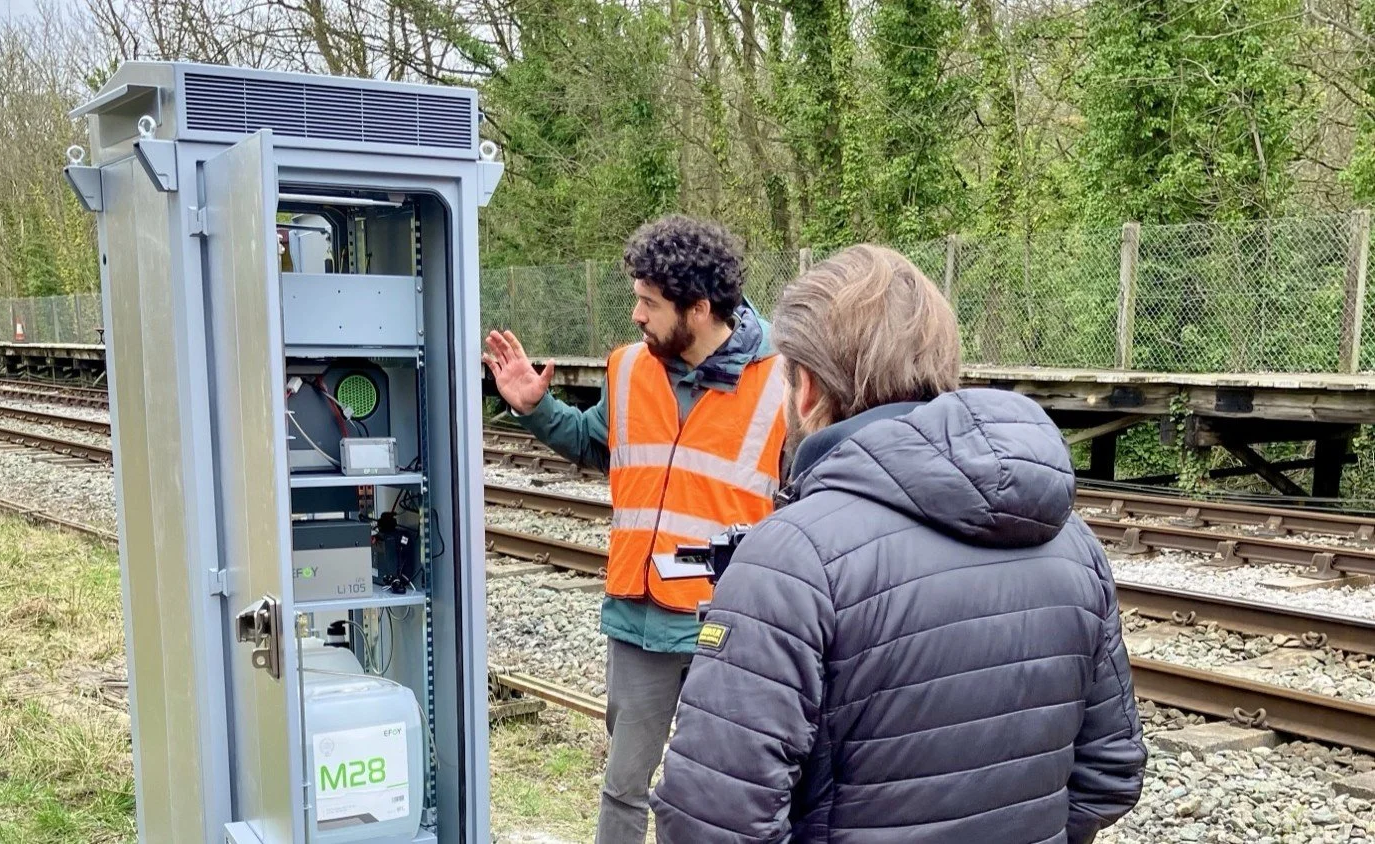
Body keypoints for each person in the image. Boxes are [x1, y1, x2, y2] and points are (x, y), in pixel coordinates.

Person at [649, 244, 1147, 844]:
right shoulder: (1074, 542)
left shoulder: (790, 559)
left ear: (805, 388)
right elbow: (1109, 773)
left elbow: (713, 818)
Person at [482, 214, 786, 844]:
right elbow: (598, 445)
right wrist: (537, 410)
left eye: (649, 302)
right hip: (641, 620)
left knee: (725, 788)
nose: (636, 315)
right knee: (623, 787)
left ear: (698, 309)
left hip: (731, 627)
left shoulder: (782, 385)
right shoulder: (627, 369)